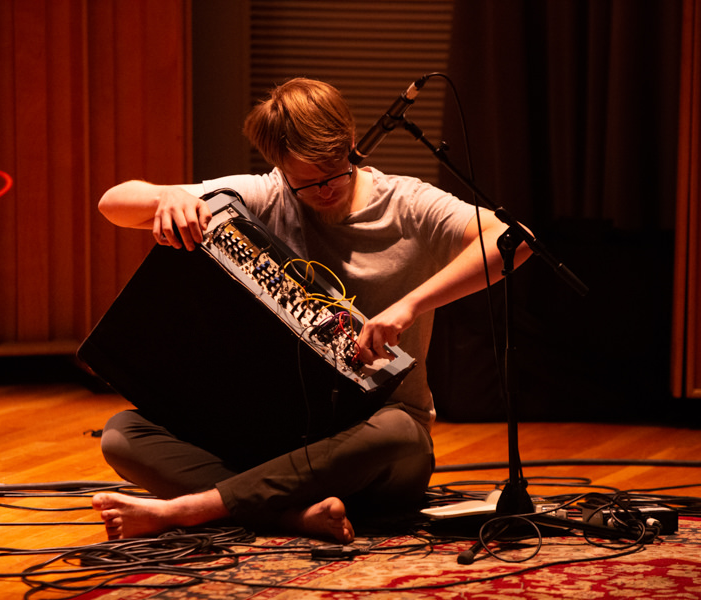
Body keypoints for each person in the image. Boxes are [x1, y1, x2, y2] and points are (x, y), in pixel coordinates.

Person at [91, 77, 531, 543]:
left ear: (353, 145)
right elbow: (112, 203)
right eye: (308, 181)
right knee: (123, 432)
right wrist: (168, 197)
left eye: (335, 171)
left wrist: (410, 306)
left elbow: (514, 240)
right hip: (272, 441)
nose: (325, 190)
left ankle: (198, 507)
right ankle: (290, 516)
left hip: (370, 447)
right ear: (279, 166)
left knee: (401, 432)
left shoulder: (407, 203)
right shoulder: (264, 194)